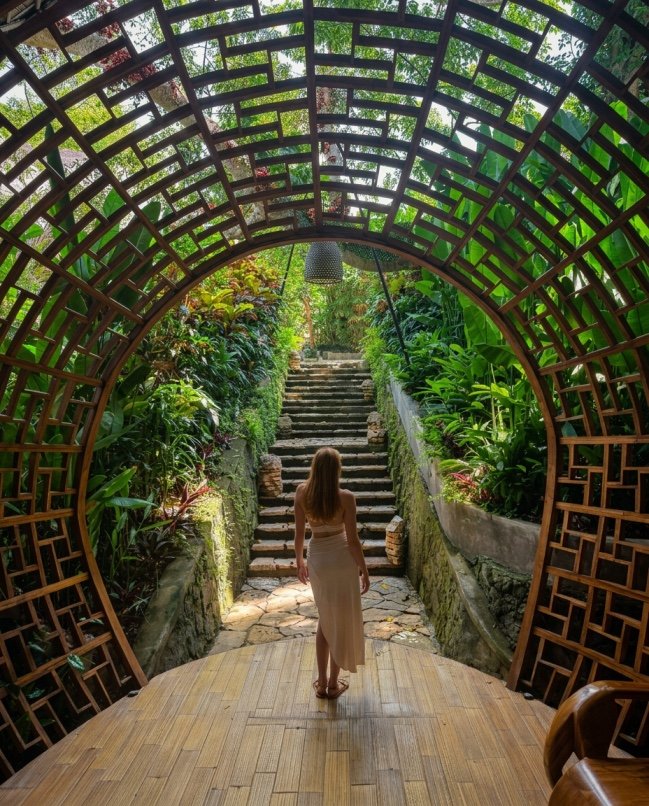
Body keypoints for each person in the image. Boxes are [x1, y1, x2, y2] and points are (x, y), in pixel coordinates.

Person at [294, 446, 370, 699]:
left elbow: (299, 534)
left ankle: (322, 682)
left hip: (318, 559)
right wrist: (364, 570)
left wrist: (299, 562)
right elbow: (353, 540)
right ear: (337, 470)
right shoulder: (346, 497)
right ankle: (334, 684)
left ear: (314, 468)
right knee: (339, 621)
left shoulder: (302, 493)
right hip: (341, 560)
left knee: (325, 619)